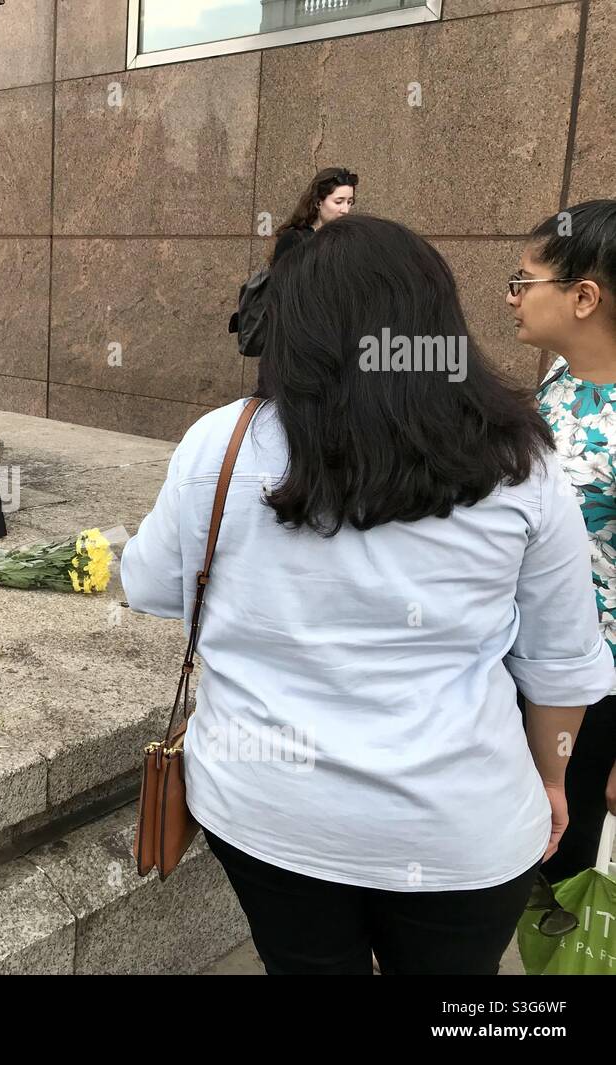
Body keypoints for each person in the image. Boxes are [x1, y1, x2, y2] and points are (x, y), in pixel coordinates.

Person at [122, 214, 613, 975]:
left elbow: (149, 582)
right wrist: (551, 776)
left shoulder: (219, 444)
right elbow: (560, 663)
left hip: (267, 814)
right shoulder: (522, 464)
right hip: (462, 828)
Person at [509, 199, 616, 880]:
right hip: (519, 664)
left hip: (592, 696)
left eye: (525, 280)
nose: (511, 296)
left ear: (583, 297)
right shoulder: (559, 379)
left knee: (555, 869)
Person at [269, 166, 357, 264]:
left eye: (349, 202)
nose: (345, 210)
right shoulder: (294, 240)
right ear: (318, 202)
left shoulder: (350, 239)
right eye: (338, 202)